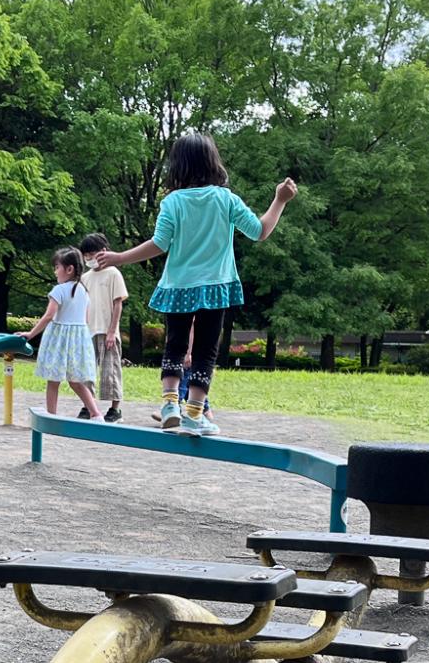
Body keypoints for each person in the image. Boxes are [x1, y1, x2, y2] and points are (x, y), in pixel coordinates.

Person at [90, 132, 296, 436]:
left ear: (178, 166)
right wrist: (280, 200)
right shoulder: (226, 199)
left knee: (174, 346)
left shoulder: (172, 201)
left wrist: (120, 257)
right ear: (213, 162)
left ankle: (170, 405)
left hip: (178, 288)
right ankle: (194, 414)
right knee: (205, 352)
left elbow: (159, 244)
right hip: (215, 288)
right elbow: (260, 231)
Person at [27, 246, 103, 418]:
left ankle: (51, 416)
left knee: (53, 380)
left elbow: (48, 316)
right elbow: (85, 319)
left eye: (57, 267)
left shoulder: (59, 290)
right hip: (79, 339)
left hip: (59, 340)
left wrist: (31, 334)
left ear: (69, 269)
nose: (55, 272)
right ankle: (96, 414)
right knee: (75, 381)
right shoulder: (84, 290)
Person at [79, 233, 128, 421]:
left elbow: (118, 303)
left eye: (93, 253)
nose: (90, 258)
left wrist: (111, 331)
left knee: (111, 370)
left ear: (104, 252)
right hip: (88, 330)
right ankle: (88, 405)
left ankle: (115, 409)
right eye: (86, 255)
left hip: (107, 331)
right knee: (87, 371)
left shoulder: (114, 273)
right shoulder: (85, 278)